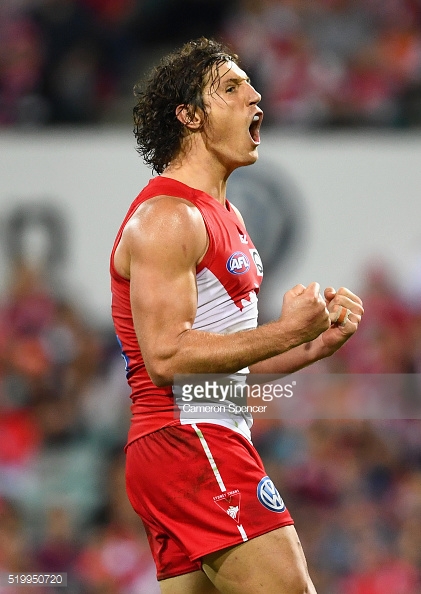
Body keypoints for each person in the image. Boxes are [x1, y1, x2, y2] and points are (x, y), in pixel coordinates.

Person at [110, 37, 364, 594]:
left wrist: (307, 347)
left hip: (193, 438)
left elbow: (217, 376)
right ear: (189, 116)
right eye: (231, 88)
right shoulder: (168, 217)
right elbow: (168, 358)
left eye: (250, 85)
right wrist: (285, 328)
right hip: (189, 441)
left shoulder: (224, 212)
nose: (256, 98)